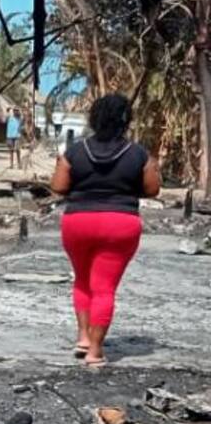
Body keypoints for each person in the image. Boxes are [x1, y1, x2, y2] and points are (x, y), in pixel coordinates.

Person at [50, 94, 160, 368]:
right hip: (120, 223)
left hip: (79, 221)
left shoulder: (75, 151)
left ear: (94, 118)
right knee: (105, 288)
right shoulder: (138, 154)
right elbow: (152, 189)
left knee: (82, 280)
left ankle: (83, 337)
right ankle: (95, 352)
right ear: (126, 120)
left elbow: (59, 186)